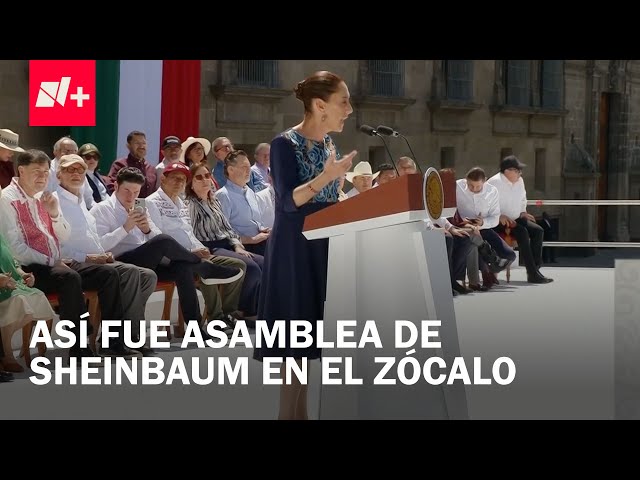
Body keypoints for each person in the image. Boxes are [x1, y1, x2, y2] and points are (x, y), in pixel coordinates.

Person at [253, 71, 357, 420]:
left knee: (309, 340)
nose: (349, 109)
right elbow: (287, 201)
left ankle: (301, 414)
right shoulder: (285, 144)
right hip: (295, 250)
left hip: (325, 245)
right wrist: (327, 177)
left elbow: (330, 196)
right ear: (319, 105)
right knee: (294, 338)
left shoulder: (328, 145)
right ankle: (288, 414)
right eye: (343, 101)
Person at [0, 232, 55, 373]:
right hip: (3, 289)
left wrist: (24, 275)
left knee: (39, 297)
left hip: (13, 284)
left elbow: (14, 264)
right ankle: (7, 354)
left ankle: (38, 353)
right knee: (20, 301)